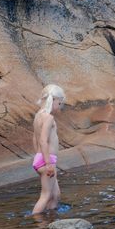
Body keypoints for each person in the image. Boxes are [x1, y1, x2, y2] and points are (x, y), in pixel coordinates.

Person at [32, 84, 65, 214]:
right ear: (53, 99)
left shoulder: (38, 115)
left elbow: (34, 138)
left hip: (41, 158)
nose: (60, 105)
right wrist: (48, 163)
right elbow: (43, 140)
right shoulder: (48, 118)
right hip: (47, 161)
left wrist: (38, 157)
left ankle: (51, 218)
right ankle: (35, 222)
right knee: (45, 196)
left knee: (55, 194)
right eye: (59, 102)